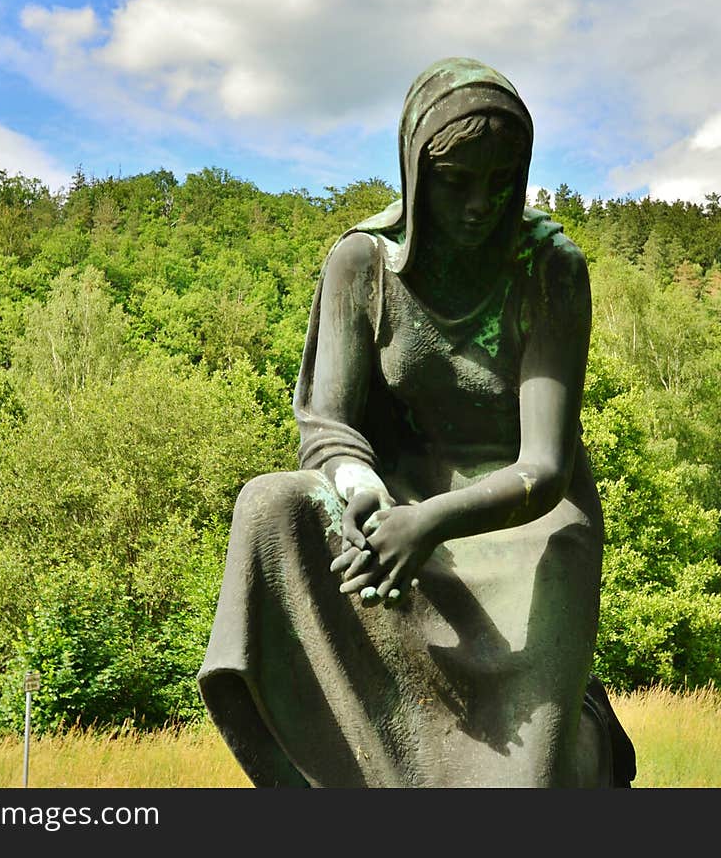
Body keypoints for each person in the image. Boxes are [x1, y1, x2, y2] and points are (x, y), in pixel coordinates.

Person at [197, 57, 635, 788]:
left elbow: (545, 469)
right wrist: (363, 489)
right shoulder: (361, 263)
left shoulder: (551, 269)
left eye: (499, 183)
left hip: (527, 522)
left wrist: (427, 523)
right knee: (269, 506)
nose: (477, 204)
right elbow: (326, 423)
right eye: (455, 181)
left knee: (523, 762)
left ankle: (564, 734)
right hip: (399, 501)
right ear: (414, 173)